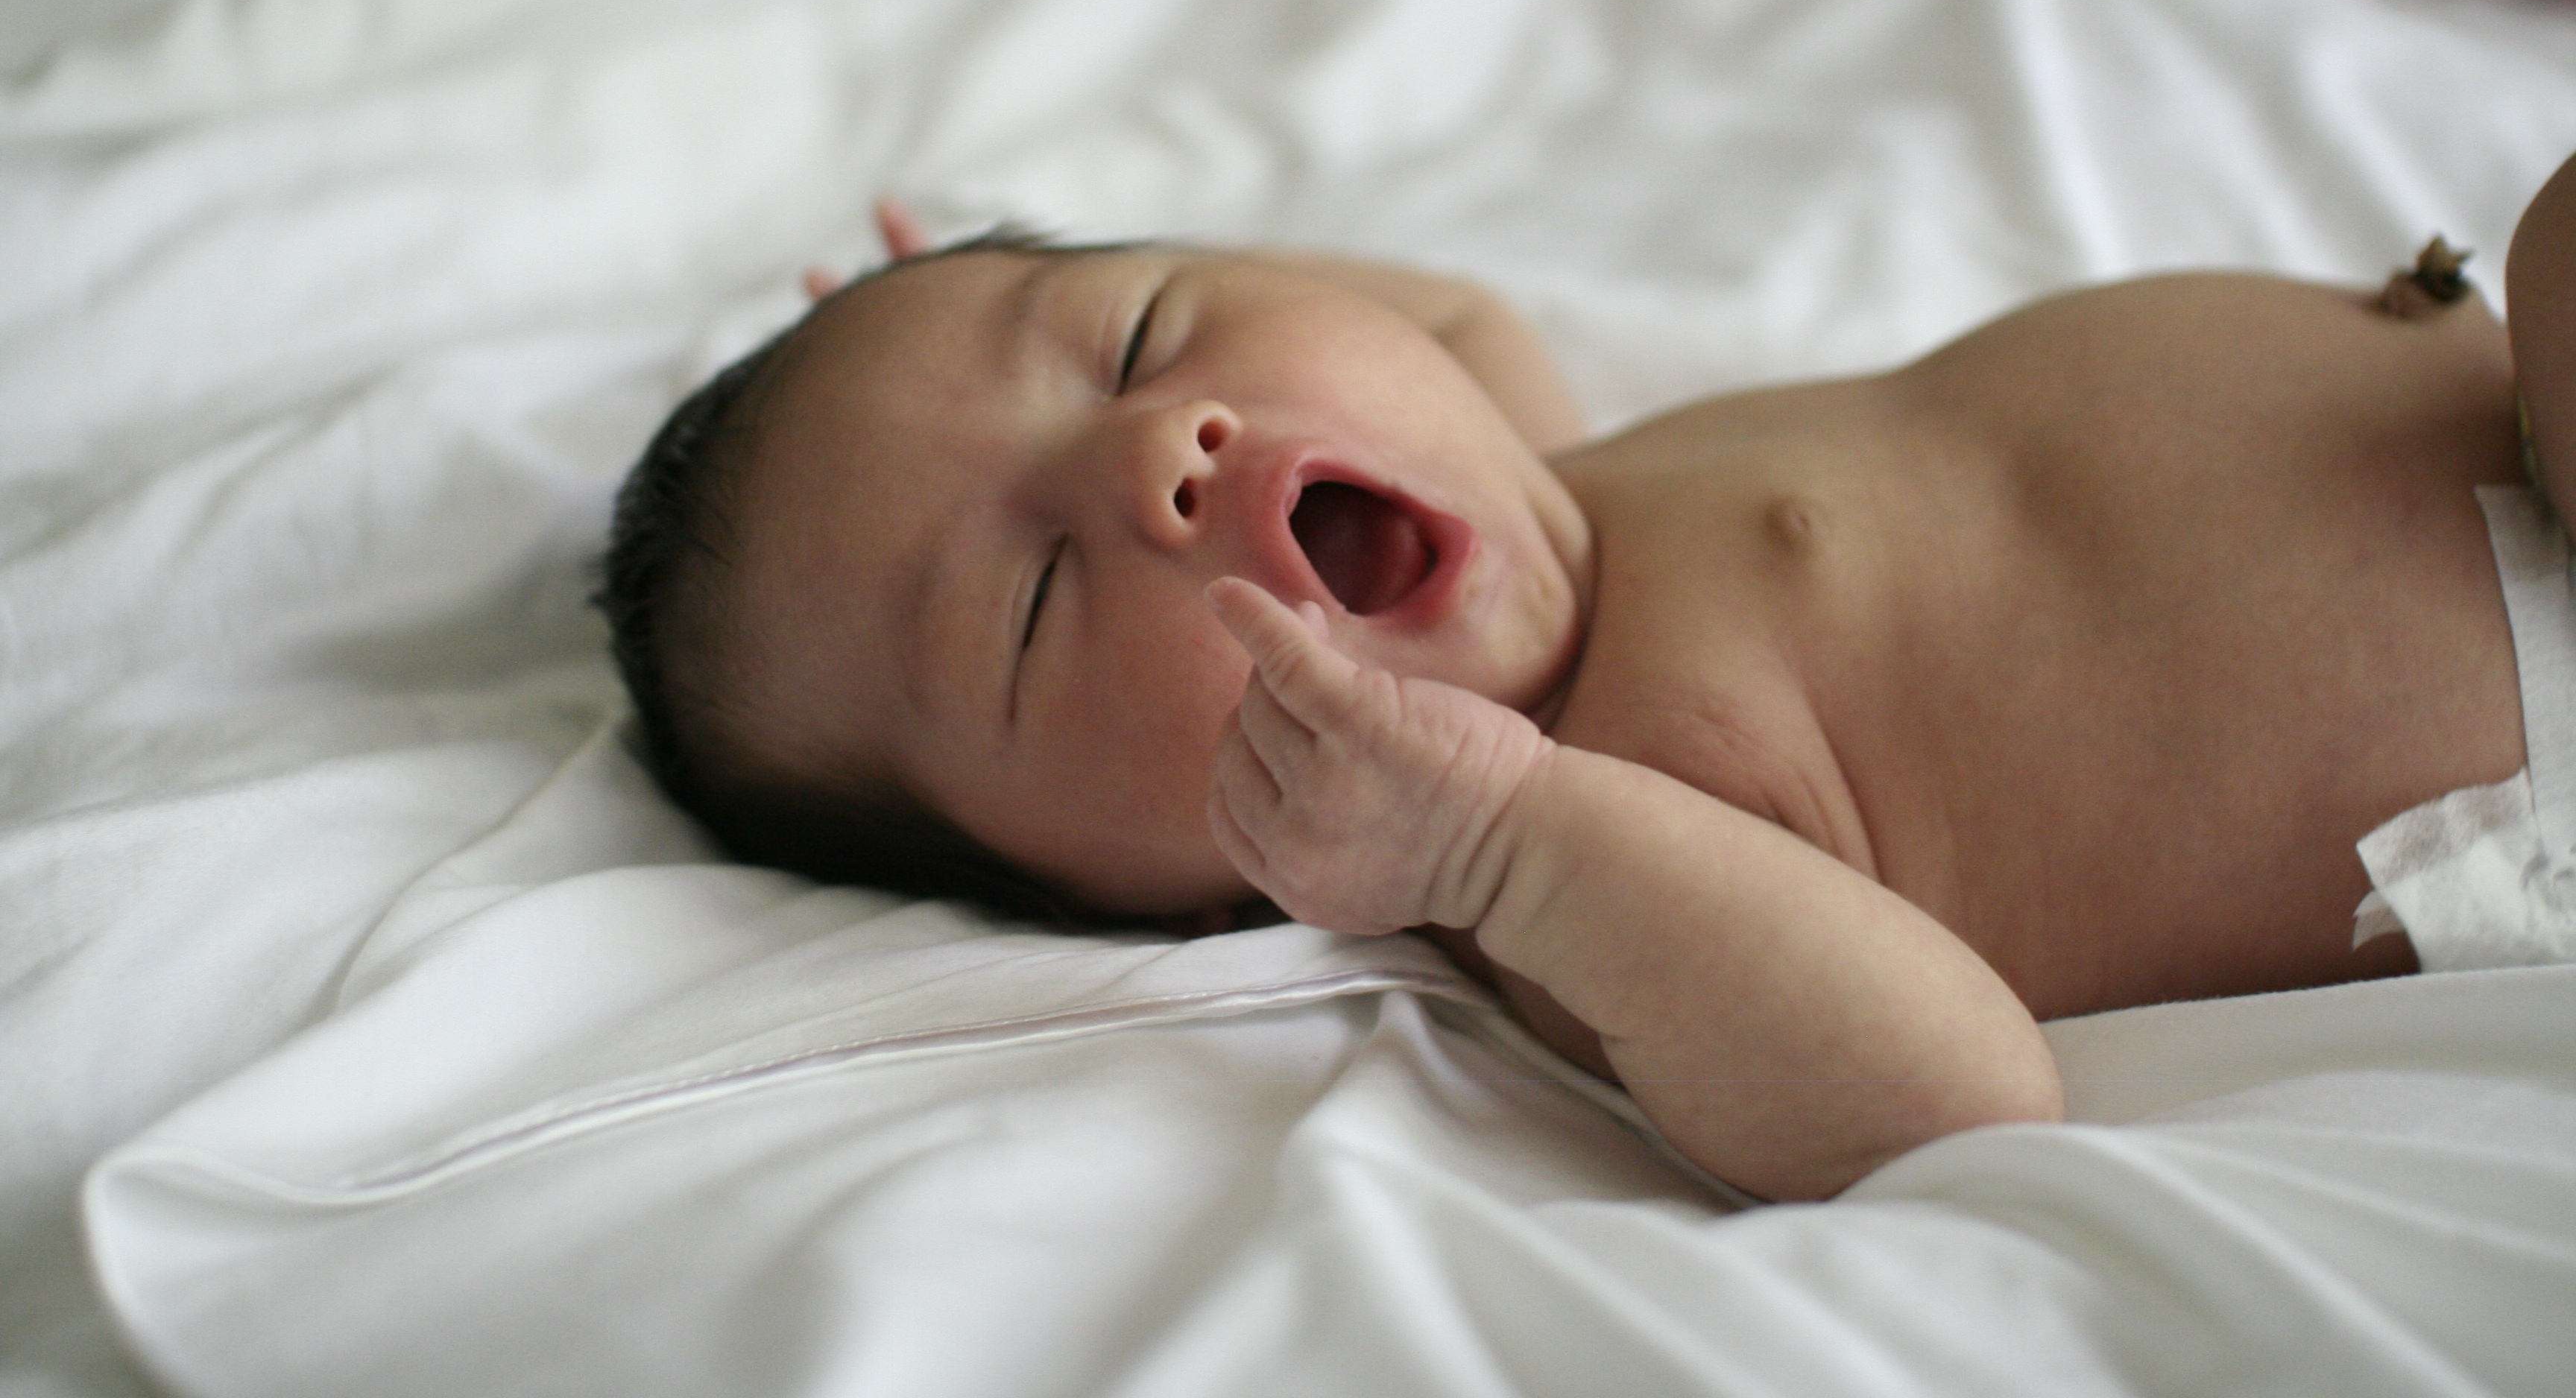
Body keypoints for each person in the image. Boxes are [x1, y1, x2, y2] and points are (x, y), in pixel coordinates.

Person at [599, 159, 2576, 1201]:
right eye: (1030, 599)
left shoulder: (1547, 459)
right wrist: (1501, 844)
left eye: (1131, 335)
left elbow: (1433, 317)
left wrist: (929, 316)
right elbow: (1948, 1097)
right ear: (1175, 896)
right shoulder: (1593, 849)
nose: (1157, 452)